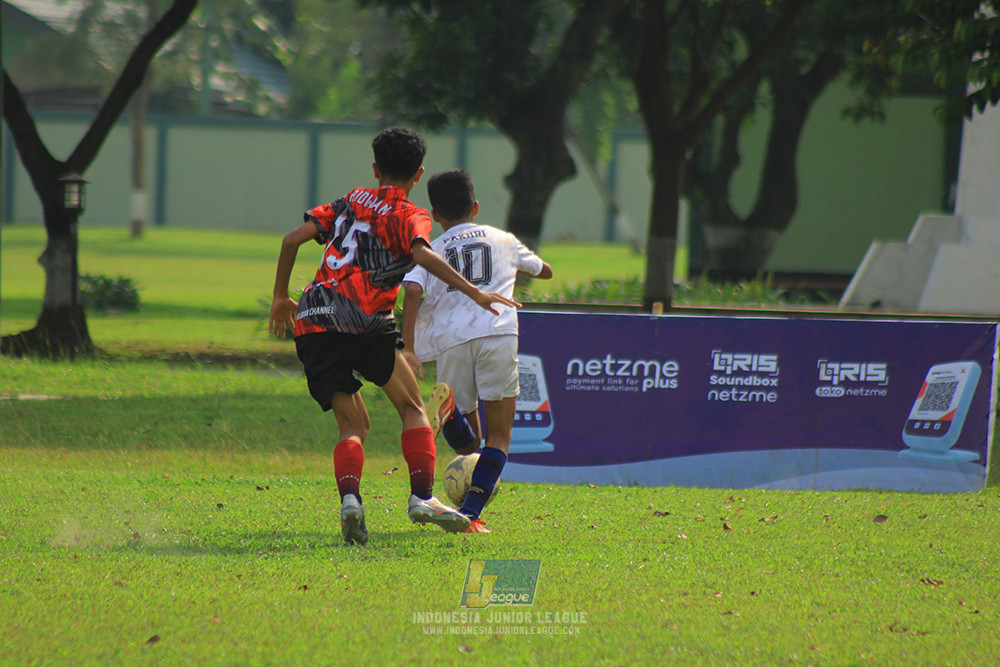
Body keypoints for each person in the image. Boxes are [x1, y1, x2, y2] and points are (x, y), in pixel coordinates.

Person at [269, 128, 519, 546]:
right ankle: (422, 497)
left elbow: (292, 238)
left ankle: (351, 501)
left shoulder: (349, 200)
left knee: (353, 423)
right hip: (365, 318)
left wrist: (280, 298)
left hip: (313, 317)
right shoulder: (411, 215)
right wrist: (475, 292)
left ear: (374, 168)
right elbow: (421, 255)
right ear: (418, 174)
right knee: (413, 406)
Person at [401, 168, 552, 534]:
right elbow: (543, 271)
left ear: (435, 215)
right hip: (497, 332)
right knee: (498, 437)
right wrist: (521, 267)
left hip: (451, 341)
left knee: (468, 442)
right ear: (476, 206)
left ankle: (450, 415)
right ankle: (470, 513)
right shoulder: (502, 239)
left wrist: (408, 347)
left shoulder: (431, 250)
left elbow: (411, 291)